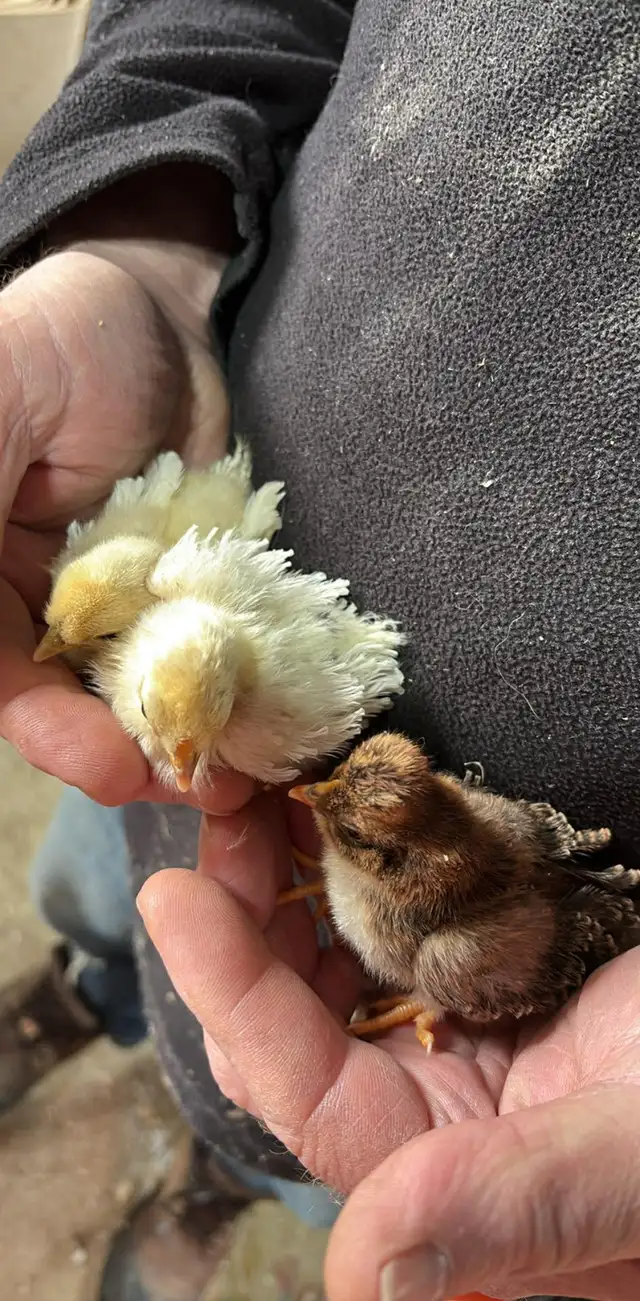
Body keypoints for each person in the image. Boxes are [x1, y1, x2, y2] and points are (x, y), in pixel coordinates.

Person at [0, 1, 637, 1299]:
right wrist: (137, 238)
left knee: (303, 1107)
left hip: (518, 1071)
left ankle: (222, 1170)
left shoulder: (452, 956)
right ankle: (90, 991)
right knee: (123, 864)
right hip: (176, 800)